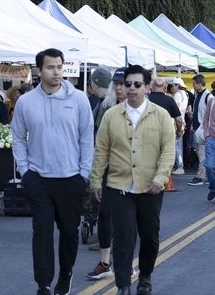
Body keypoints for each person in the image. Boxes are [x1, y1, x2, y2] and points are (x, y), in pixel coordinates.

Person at [11, 48, 94, 295]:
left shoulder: (78, 99)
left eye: (59, 67)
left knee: (69, 231)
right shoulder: (26, 102)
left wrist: (84, 173)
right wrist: (25, 171)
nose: (56, 71)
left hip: (71, 178)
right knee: (43, 230)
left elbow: (86, 137)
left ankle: (65, 274)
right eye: (50, 67)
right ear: (39, 71)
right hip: (38, 178)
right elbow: (17, 137)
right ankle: (43, 284)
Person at [91, 65, 175, 295]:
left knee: (149, 236)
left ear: (147, 88)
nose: (131, 89)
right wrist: (96, 180)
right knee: (122, 237)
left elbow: (168, 150)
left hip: (151, 187)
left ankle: (145, 276)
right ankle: (123, 285)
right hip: (119, 186)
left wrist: (160, 178)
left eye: (137, 84)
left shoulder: (161, 115)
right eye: (127, 84)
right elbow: (101, 151)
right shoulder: (111, 115)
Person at [86, 67, 138, 280]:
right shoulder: (105, 107)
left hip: (132, 171)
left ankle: (127, 263)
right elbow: (97, 141)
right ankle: (105, 262)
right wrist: (95, 177)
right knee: (104, 215)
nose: (119, 88)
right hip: (108, 170)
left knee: (127, 220)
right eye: (115, 84)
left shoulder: (140, 110)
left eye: (123, 83)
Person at [188, 74, 213, 186]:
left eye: (194, 83)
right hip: (198, 128)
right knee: (200, 153)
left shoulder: (208, 96)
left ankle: (200, 176)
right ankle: (210, 174)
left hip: (204, 129)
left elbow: (212, 113)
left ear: (199, 84)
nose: (193, 86)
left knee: (202, 154)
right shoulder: (198, 95)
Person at [170, 78, 188, 175]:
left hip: (177, 121)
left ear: (177, 85)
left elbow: (177, 108)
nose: (172, 87)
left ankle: (180, 166)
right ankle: (179, 166)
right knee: (178, 145)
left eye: (173, 85)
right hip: (181, 121)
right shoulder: (184, 94)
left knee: (176, 145)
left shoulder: (177, 94)